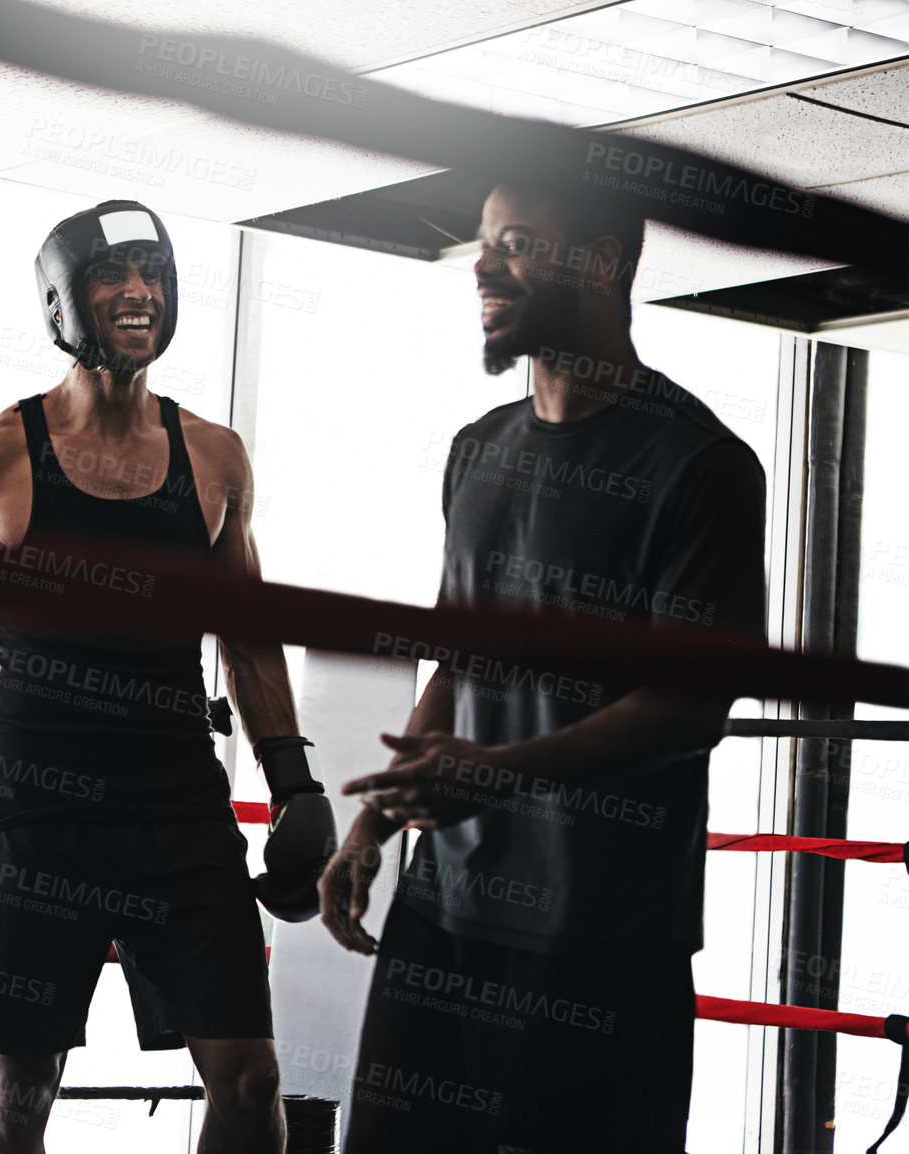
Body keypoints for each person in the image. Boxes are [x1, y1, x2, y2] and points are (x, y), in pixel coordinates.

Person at [321, 179, 768, 1153]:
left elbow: (689, 704)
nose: (483, 264)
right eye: (484, 242)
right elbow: (459, 656)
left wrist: (492, 777)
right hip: (442, 913)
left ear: (601, 264)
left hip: (597, 941)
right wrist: (373, 820)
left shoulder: (698, 466)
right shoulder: (477, 448)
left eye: (518, 241)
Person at [0, 200, 335, 1153]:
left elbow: (248, 638)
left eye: (154, 274)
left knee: (252, 1084)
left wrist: (295, 786)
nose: (139, 292)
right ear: (63, 300)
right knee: (18, 1092)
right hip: (39, 814)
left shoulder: (214, 457)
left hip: (178, 810)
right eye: (113, 273)